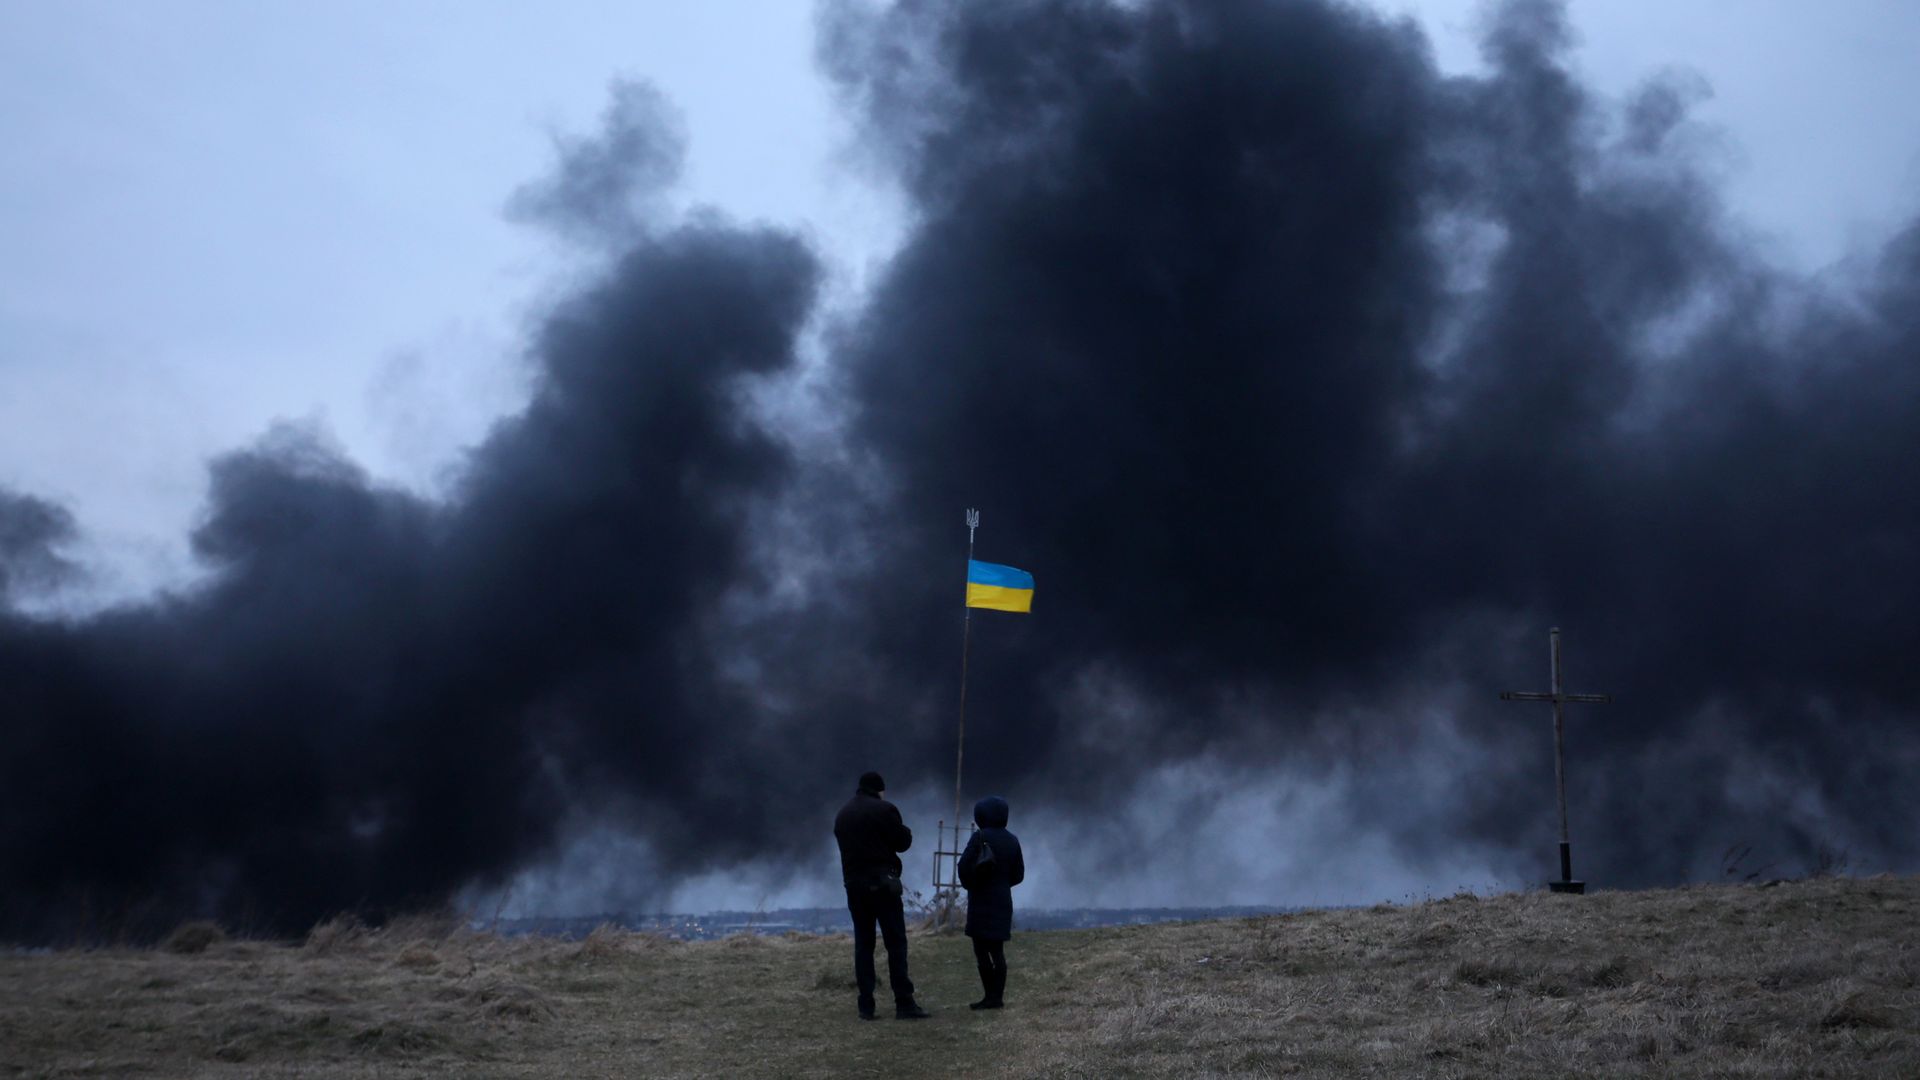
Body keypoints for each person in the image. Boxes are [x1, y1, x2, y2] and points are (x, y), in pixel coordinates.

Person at [832, 770, 929, 1020]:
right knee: (895, 943)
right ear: (879, 789)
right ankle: (904, 1003)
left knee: (864, 944)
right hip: (883, 886)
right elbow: (902, 843)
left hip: (854, 886)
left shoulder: (843, 814)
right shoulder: (885, 810)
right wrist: (905, 830)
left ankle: (866, 1005)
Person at [956, 794, 1025, 1010]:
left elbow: (963, 866)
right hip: (1002, 900)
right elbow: (1019, 874)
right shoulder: (1013, 840)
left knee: (981, 950)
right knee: (997, 951)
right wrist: (1002, 884)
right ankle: (997, 997)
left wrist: (972, 883)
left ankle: (989, 997)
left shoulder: (980, 837)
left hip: (980, 900)